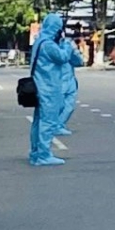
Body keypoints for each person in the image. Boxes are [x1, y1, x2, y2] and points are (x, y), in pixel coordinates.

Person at [28, 13, 83, 166]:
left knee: (38, 122)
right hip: (49, 87)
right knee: (47, 122)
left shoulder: (40, 41)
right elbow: (63, 57)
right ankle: (43, 154)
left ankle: (35, 152)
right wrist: (67, 44)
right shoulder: (49, 45)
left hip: (41, 86)